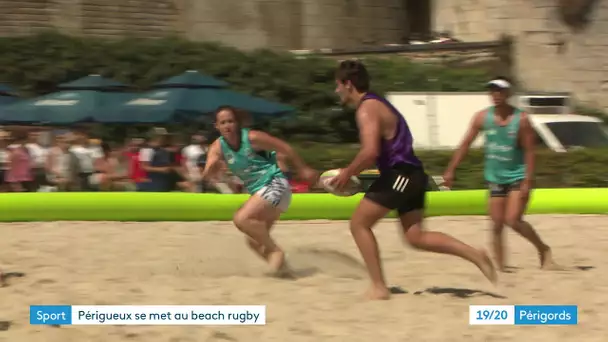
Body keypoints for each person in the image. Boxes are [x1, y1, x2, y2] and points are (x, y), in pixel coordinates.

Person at [329, 60, 497, 300]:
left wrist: (347, 173)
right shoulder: (379, 103)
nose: (336, 91)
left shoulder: (367, 109)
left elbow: (370, 152)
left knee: (359, 224)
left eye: (338, 85)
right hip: (412, 175)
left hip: (400, 175)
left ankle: (378, 287)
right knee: (415, 237)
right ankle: (475, 255)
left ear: (348, 84)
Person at [442, 76, 560, 272]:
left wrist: (528, 180)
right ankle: (501, 267)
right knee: (496, 223)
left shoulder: (521, 119)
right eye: (492, 91)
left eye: (500, 91)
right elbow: (465, 144)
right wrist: (450, 169)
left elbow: (530, 151)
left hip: (518, 176)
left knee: (513, 220)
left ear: (508, 93)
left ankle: (544, 249)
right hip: (495, 177)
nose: (495, 95)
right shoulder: (481, 117)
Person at [201, 106, 319, 274]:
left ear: (237, 123)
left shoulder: (252, 138)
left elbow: (285, 148)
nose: (227, 126)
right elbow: (207, 173)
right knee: (254, 242)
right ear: (217, 126)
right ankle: (284, 272)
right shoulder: (217, 147)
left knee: (241, 219)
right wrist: (211, 169)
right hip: (261, 193)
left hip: (275, 184)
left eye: (231, 121)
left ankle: (276, 250)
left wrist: (303, 169)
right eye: (223, 122)